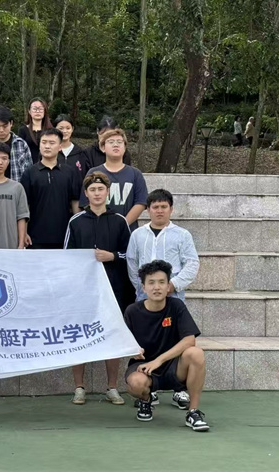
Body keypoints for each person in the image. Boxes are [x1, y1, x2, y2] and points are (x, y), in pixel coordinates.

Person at [64, 172, 134, 405]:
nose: (96, 193)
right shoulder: (75, 221)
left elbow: (130, 255)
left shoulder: (120, 221)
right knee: (79, 335)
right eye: (92, 190)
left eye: (100, 189)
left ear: (107, 192)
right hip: (83, 290)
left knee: (112, 336)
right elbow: (67, 257)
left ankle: (112, 387)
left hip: (113, 288)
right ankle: (79, 387)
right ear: (86, 193)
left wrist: (111, 256)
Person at [126, 188, 200, 409]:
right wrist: (144, 287)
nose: (159, 211)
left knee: (178, 340)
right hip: (145, 297)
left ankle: (180, 389)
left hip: (173, 296)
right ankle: (150, 389)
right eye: (155, 207)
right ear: (148, 210)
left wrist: (171, 285)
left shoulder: (182, 235)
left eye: (164, 207)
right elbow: (132, 262)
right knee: (149, 340)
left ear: (171, 209)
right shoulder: (138, 235)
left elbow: (192, 263)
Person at [124, 260, 209, 432]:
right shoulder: (132, 311)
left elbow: (189, 340)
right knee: (136, 383)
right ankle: (146, 401)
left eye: (162, 282)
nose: (157, 287)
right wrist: (132, 350)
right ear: (143, 287)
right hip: (144, 367)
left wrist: (159, 361)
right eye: (151, 283)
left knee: (196, 353)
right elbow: (122, 341)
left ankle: (193, 412)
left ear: (168, 285)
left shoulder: (176, 306)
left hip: (173, 367)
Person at [21, 128, 80, 249]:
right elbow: (24, 205)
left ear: (60, 147)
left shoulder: (70, 172)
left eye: (52, 143)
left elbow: (75, 201)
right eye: (44, 142)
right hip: (35, 236)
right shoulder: (30, 173)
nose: (47, 146)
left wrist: (78, 229)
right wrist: (24, 232)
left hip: (64, 234)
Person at [79, 128, 148, 231]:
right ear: (103, 147)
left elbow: (141, 202)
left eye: (119, 142)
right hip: (99, 229)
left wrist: (122, 224)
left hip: (127, 230)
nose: (116, 145)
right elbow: (85, 202)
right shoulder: (93, 173)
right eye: (111, 142)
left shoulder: (135, 174)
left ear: (125, 147)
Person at [18, 97, 53, 163]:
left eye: (40, 109)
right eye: (34, 109)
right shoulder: (23, 130)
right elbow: (20, 152)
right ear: (29, 111)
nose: (37, 111)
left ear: (45, 111)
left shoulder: (51, 130)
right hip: (28, 165)